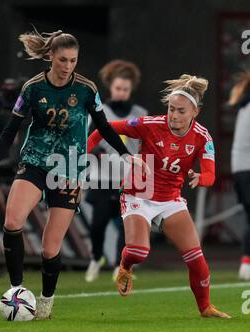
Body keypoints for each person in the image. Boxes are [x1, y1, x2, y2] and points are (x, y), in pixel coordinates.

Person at [0, 27, 147, 319]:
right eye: (63, 60)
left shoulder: (86, 89)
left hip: (68, 168)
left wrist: (128, 157)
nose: (68, 66)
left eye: (73, 60)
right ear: (50, 57)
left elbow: (104, 127)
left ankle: (46, 300)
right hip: (34, 161)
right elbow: (9, 131)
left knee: (49, 249)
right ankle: (17, 291)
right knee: (12, 221)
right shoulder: (32, 88)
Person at [88, 74, 231, 318]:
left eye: (180, 111)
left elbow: (210, 174)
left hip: (170, 200)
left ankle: (205, 308)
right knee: (139, 252)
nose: (173, 115)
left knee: (197, 260)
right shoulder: (150, 124)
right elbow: (105, 128)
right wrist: (83, 153)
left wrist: (201, 178)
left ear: (194, 112)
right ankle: (125, 266)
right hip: (137, 195)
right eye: (171, 109)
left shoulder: (202, 137)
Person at [85, 60, 148, 282]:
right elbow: (89, 143)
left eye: (125, 89)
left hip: (128, 179)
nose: (121, 93)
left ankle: (121, 266)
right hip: (102, 177)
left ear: (131, 90)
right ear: (110, 87)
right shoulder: (99, 110)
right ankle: (96, 257)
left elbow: (145, 144)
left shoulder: (140, 113)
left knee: (127, 226)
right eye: (117, 88)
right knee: (98, 224)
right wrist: (106, 157)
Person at [229, 70, 250, 281]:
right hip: (246, 170)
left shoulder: (244, 105)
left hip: (241, 170)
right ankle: (246, 262)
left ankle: (246, 263)